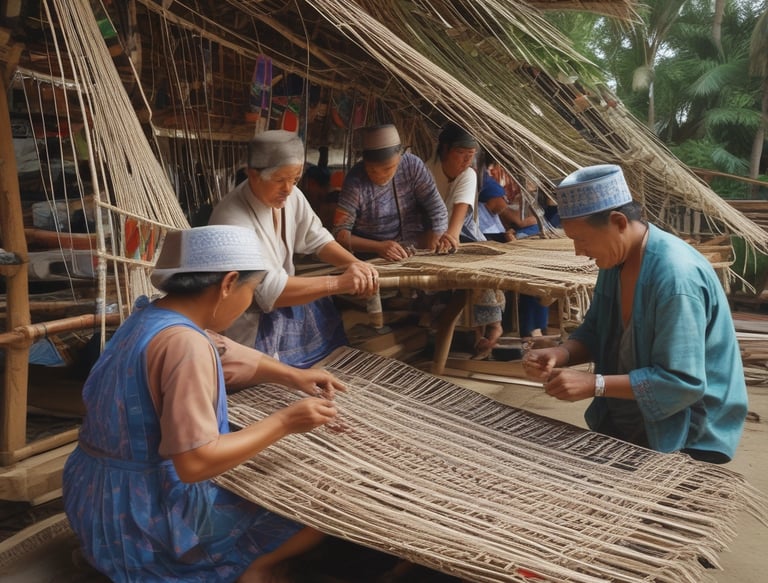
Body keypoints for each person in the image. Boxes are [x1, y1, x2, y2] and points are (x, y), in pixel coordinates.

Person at [63, 225, 346, 582]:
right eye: (252, 290)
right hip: (144, 521)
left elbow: (222, 351)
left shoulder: (148, 317)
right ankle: (253, 568)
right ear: (228, 283)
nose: (249, 301)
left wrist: (294, 375)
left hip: (93, 497)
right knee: (317, 507)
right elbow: (194, 464)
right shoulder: (185, 344)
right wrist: (285, 422)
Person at [522, 164, 748, 463]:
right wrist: (560, 355)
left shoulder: (675, 278)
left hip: (692, 434)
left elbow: (682, 383)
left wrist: (596, 384)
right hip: (636, 420)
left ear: (618, 222)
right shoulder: (615, 262)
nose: (578, 251)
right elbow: (595, 330)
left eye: (582, 239)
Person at [209, 130, 378, 368]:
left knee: (327, 337)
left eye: (295, 179)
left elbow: (316, 237)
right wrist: (339, 283)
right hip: (249, 323)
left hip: (278, 303)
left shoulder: (290, 196)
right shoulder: (232, 220)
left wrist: (355, 264)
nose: (288, 189)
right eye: (280, 180)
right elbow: (271, 291)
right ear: (252, 174)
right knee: (274, 379)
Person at [333, 124, 453, 260]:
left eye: (388, 168)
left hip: (417, 251)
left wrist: (437, 237)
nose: (379, 175)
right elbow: (340, 234)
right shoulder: (356, 181)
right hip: (374, 259)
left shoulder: (412, 167)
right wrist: (378, 247)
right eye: (371, 170)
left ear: (400, 157)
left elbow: (437, 209)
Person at [477, 173, 550, 339]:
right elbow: (517, 219)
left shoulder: (486, 182)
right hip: (495, 239)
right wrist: (529, 221)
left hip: (506, 236)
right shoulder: (485, 181)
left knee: (537, 268)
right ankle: (531, 328)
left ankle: (535, 326)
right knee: (531, 269)